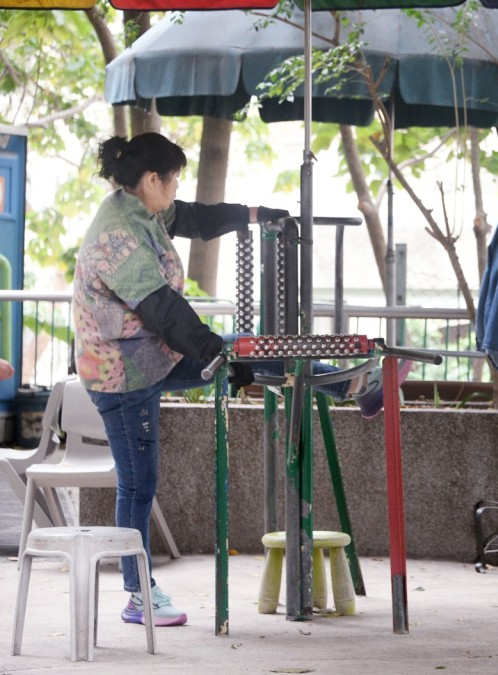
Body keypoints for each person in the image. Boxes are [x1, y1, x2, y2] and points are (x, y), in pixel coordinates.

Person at [72, 132, 399, 627]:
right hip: (121, 376)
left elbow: (197, 219)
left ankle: (356, 387)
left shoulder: (143, 207)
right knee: (139, 484)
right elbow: (163, 310)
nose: (176, 187)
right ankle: (137, 595)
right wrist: (217, 355)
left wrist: (255, 214)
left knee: (251, 347)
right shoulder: (117, 236)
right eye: (173, 178)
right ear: (152, 179)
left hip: (153, 356)